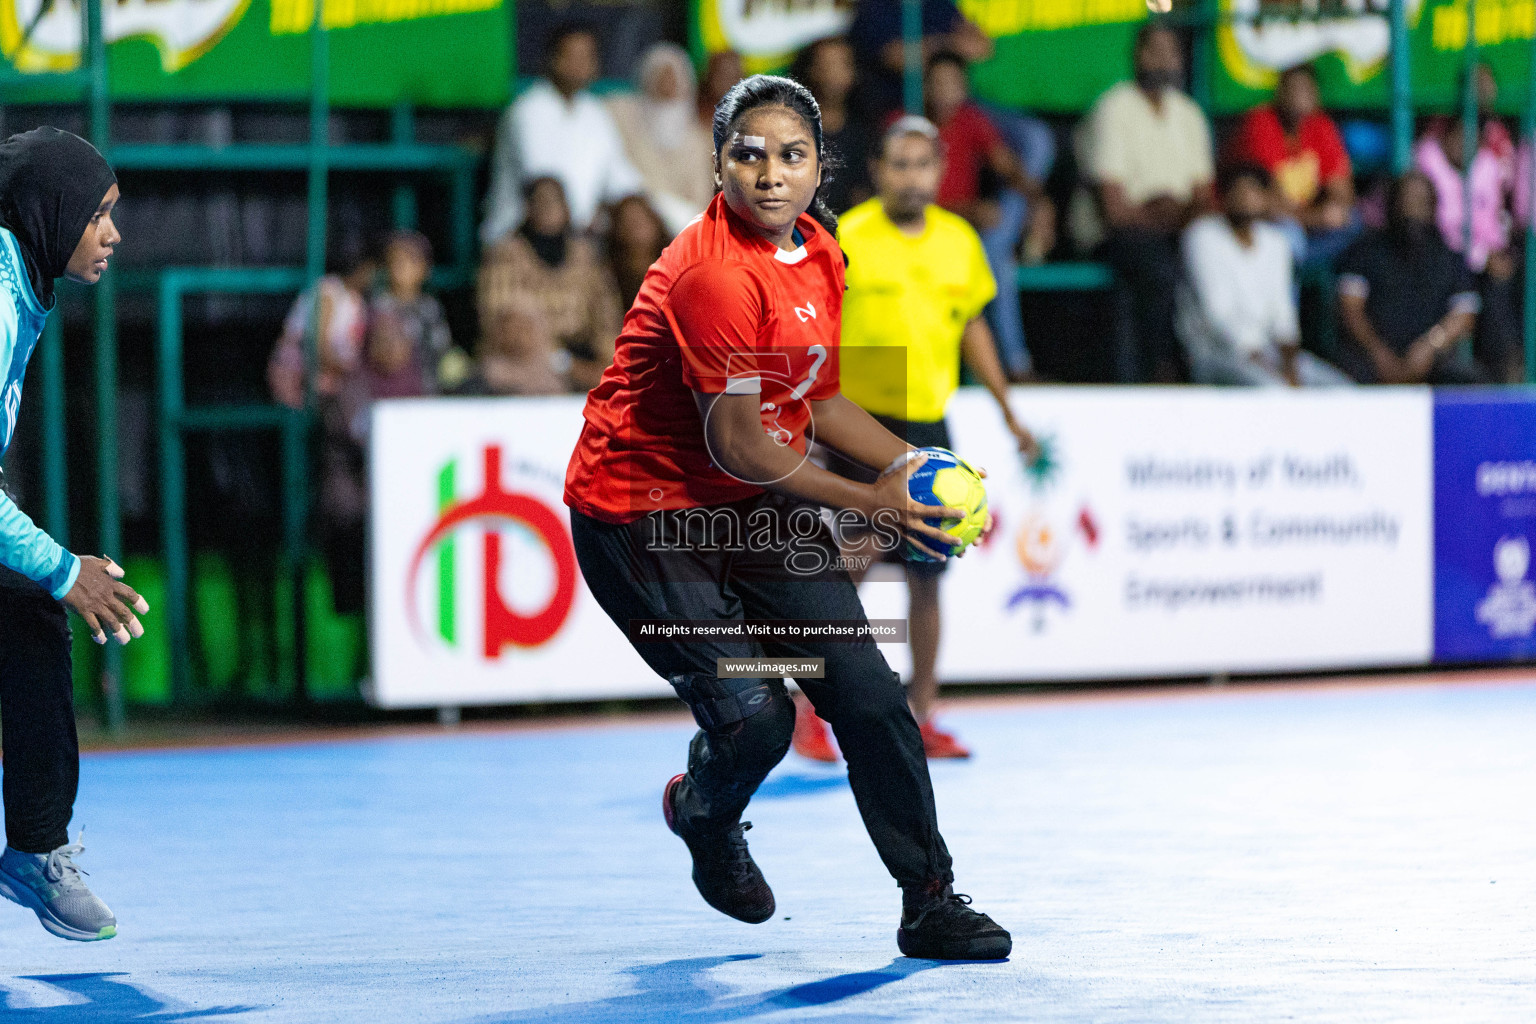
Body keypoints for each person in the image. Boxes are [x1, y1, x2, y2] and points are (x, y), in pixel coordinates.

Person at [563, 75, 1012, 960]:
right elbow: (740, 441)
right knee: (757, 719)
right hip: (644, 519)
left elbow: (818, 397)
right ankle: (703, 812)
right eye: (749, 153)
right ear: (719, 165)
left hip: (751, 511)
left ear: (818, 170)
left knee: (872, 697)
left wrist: (908, 465)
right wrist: (873, 500)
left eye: (792, 154)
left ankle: (929, 902)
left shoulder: (820, 249)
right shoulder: (711, 275)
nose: (772, 173)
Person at [792, 115, 1040, 765]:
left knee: (930, 578)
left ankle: (923, 714)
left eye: (922, 164)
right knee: (851, 564)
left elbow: (974, 329)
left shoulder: (960, 240)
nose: (911, 176)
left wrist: (1010, 414)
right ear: (877, 171)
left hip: (930, 427)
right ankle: (809, 711)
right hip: (862, 421)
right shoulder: (848, 235)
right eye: (898, 164)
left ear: (940, 170)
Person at [0, 126, 140, 942]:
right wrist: (63, 568)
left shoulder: (23, 281)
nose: (114, 233)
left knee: (26, 611)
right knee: (38, 589)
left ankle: (35, 850)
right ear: (53, 211)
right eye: (101, 214)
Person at [1072, 23, 1215, 382]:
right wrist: (1166, 211)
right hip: (1115, 235)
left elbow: (1202, 198)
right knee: (1158, 268)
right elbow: (1114, 210)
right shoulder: (1114, 108)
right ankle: (1159, 374)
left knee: (1214, 252)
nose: (1163, 61)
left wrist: (1175, 212)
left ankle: (1215, 368)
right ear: (1137, 55)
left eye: (1171, 52)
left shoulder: (1189, 114)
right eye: (1155, 51)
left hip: (1175, 231)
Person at [923, 51, 1054, 380]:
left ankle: (1014, 367)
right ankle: (1014, 368)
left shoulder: (970, 121)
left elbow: (1008, 167)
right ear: (924, 87)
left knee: (996, 255)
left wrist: (1040, 204)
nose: (945, 92)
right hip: (922, 233)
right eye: (937, 83)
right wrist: (969, 210)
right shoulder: (909, 127)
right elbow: (910, 204)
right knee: (991, 259)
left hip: (963, 235)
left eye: (953, 84)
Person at [1177, 163, 1350, 387]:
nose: (1246, 198)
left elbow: (1283, 313)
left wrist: (1289, 365)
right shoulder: (1202, 235)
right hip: (1213, 354)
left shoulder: (1275, 242)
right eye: (1238, 191)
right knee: (1273, 391)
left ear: (1266, 197)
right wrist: (1263, 363)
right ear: (1224, 197)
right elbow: (1217, 313)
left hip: (1271, 352)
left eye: (1253, 191)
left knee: (1340, 390)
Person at [480, 22, 643, 244]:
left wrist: (645, 207)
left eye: (586, 56)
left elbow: (620, 177)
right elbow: (542, 183)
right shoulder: (528, 108)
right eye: (572, 55)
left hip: (581, 239)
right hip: (519, 239)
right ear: (552, 59)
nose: (579, 64)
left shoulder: (594, 111)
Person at [1334, 171, 1485, 384]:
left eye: (1421, 202)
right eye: (1406, 201)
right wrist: (1380, 354)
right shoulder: (1365, 251)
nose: (1413, 210)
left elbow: (1465, 315)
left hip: (1432, 360)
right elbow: (1350, 310)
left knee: (1467, 381)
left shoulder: (1450, 258)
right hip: (1370, 359)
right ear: (1393, 205)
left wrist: (1429, 346)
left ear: (1433, 206)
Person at [478, 177, 623, 395]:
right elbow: (498, 318)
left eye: (555, 200)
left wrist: (606, 358)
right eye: (541, 200)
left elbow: (605, 316)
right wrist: (552, 355)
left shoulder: (586, 256)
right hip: (522, 356)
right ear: (527, 207)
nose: (548, 208)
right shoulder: (505, 255)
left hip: (582, 353)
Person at [1414, 113, 1522, 382]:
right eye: (1459, 135)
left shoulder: (1486, 164)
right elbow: (1440, 225)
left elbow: (1491, 219)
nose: (1465, 144)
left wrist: (1496, 252)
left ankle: (1509, 366)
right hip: (1440, 255)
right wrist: (1482, 256)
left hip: (1481, 258)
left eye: (1473, 137)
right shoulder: (1427, 158)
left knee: (1508, 281)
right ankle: (1488, 371)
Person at [1226, 63, 1357, 268]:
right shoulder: (1261, 123)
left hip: (1307, 224)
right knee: (1288, 237)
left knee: (1354, 222)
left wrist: (1334, 209)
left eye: (1306, 89)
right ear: (1280, 93)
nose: (1299, 95)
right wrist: (1316, 218)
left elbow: (1342, 189)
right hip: (1259, 222)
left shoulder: (1320, 125)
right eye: (1293, 88)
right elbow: (1266, 202)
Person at [607, 43, 717, 236]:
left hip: (683, 229)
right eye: (660, 75)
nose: (667, 83)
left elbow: (699, 199)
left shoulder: (698, 141)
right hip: (635, 223)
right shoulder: (624, 117)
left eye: (673, 76)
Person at [267, 239, 376, 410]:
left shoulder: (355, 297)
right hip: (301, 373)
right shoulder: (329, 291)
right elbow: (318, 344)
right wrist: (346, 370)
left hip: (331, 375)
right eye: (371, 270)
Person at [847, 0, 993, 120]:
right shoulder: (872, 9)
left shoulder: (936, 4)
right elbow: (897, 58)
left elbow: (980, 47)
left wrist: (929, 46)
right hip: (891, 110)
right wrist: (947, 42)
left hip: (951, 111)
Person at [790, 36, 874, 214]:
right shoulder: (790, 130)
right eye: (827, 65)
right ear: (812, 70)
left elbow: (865, 196)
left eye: (843, 64)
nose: (835, 73)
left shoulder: (865, 131)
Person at [370, 229, 461, 393]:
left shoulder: (430, 306)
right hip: (394, 390)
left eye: (410, 261)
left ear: (424, 268)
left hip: (430, 388)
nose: (402, 268)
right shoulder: (381, 305)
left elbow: (442, 346)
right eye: (396, 261)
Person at [605, 194, 668, 309]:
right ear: (620, 232)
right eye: (631, 222)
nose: (638, 227)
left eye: (642, 219)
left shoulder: (677, 263)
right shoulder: (611, 276)